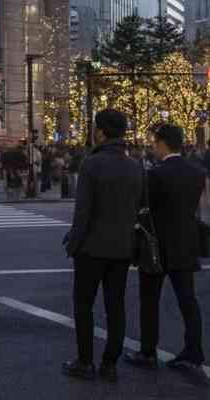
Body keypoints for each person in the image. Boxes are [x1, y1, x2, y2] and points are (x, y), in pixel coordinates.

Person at [62, 109, 145, 382]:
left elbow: (83, 212)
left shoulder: (92, 164)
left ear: (101, 131)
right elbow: (138, 208)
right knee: (116, 306)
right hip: (122, 247)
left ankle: (85, 361)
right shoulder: (135, 165)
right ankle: (110, 363)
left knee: (84, 304)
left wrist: (73, 243)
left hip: (91, 248)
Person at [125, 124, 207, 375]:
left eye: (154, 143)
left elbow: (145, 209)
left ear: (162, 144)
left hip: (157, 246)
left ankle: (148, 351)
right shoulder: (197, 172)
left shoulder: (155, 174)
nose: (152, 147)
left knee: (150, 300)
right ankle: (194, 351)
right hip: (185, 243)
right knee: (188, 300)